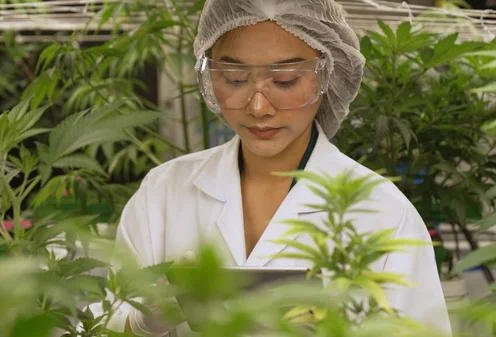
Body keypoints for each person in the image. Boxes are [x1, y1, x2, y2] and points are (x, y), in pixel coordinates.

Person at [89, 0, 451, 336]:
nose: (259, 107)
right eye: (233, 79)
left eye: (285, 81)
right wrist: (140, 322)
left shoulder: (383, 212)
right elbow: (101, 319)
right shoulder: (165, 192)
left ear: (329, 76)